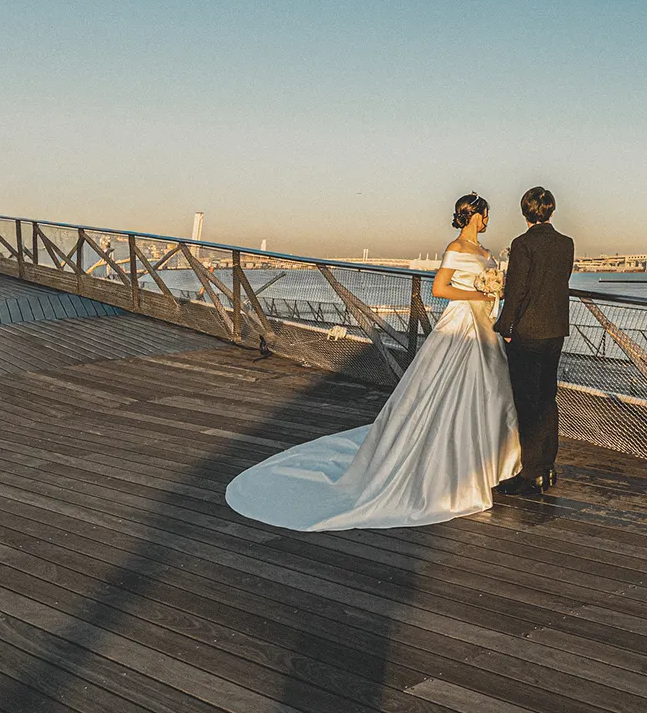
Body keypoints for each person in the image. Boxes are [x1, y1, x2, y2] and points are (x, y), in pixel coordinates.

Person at [223, 193, 521, 529]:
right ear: (474, 215)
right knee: (454, 389)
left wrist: (496, 291)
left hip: (484, 324)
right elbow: (439, 288)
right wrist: (479, 293)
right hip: (462, 322)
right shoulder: (456, 248)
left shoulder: (486, 253)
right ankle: (452, 461)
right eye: (485, 214)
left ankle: (486, 464)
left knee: (490, 390)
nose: (488, 219)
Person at [494, 186, 573, 494]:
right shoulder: (566, 243)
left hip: (527, 332)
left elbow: (517, 290)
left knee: (527, 403)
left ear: (524, 211)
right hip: (555, 330)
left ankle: (530, 473)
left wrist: (506, 326)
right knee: (547, 398)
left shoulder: (522, 244)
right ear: (551, 210)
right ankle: (547, 467)